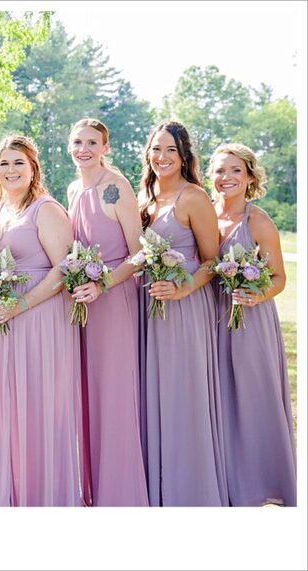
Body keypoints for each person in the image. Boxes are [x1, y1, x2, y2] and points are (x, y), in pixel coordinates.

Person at [0, 135, 84, 506]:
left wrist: (21, 305)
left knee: (37, 408)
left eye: (19, 162)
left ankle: (43, 496)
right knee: (4, 409)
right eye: (4, 163)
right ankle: (8, 494)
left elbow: (64, 269)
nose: (11, 170)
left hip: (37, 319)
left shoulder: (45, 209)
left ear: (33, 167)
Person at [137, 121, 227, 506]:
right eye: (156, 149)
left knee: (183, 395)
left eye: (170, 150)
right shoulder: (146, 197)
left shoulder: (194, 198)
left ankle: (191, 491)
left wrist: (182, 288)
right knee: (151, 395)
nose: (162, 157)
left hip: (185, 308)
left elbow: (213, 261)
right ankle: (155, 487)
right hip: (148, 310)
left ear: (185, 155)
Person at [66, 118, 148, 506]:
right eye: (78, 141)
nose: (84, 148)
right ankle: (91, 487)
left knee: (112, 391)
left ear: (106, 148)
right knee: (86, 390)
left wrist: (103, 284)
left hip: (113, 300)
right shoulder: (71, 189)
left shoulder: (115, 188)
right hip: (82, 304)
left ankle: (119, 492)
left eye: (92, 142)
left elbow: (140, 252)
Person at [209, 143, 296, 506]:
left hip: (250, 321)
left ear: (249, 178)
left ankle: (267, 482)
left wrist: (256, 296)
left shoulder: (257, 220)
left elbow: (279, 278)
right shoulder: (206, 213)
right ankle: (227, 480)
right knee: (221, 398)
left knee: (253, 398)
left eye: (235, 171)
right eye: (219, 171)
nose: (226, 178)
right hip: (211, 318)